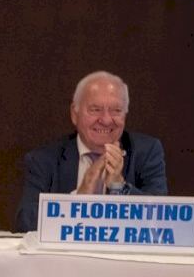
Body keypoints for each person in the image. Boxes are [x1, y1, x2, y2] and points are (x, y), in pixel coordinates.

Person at [15, 71, 167, 232]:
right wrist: (77, 200)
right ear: (74, 114)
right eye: (95, 109)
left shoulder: (146, 152)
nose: (106, 120)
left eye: (116, 110)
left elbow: (162, 219)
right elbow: (25, 223)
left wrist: (119, 187)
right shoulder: (44, 159)